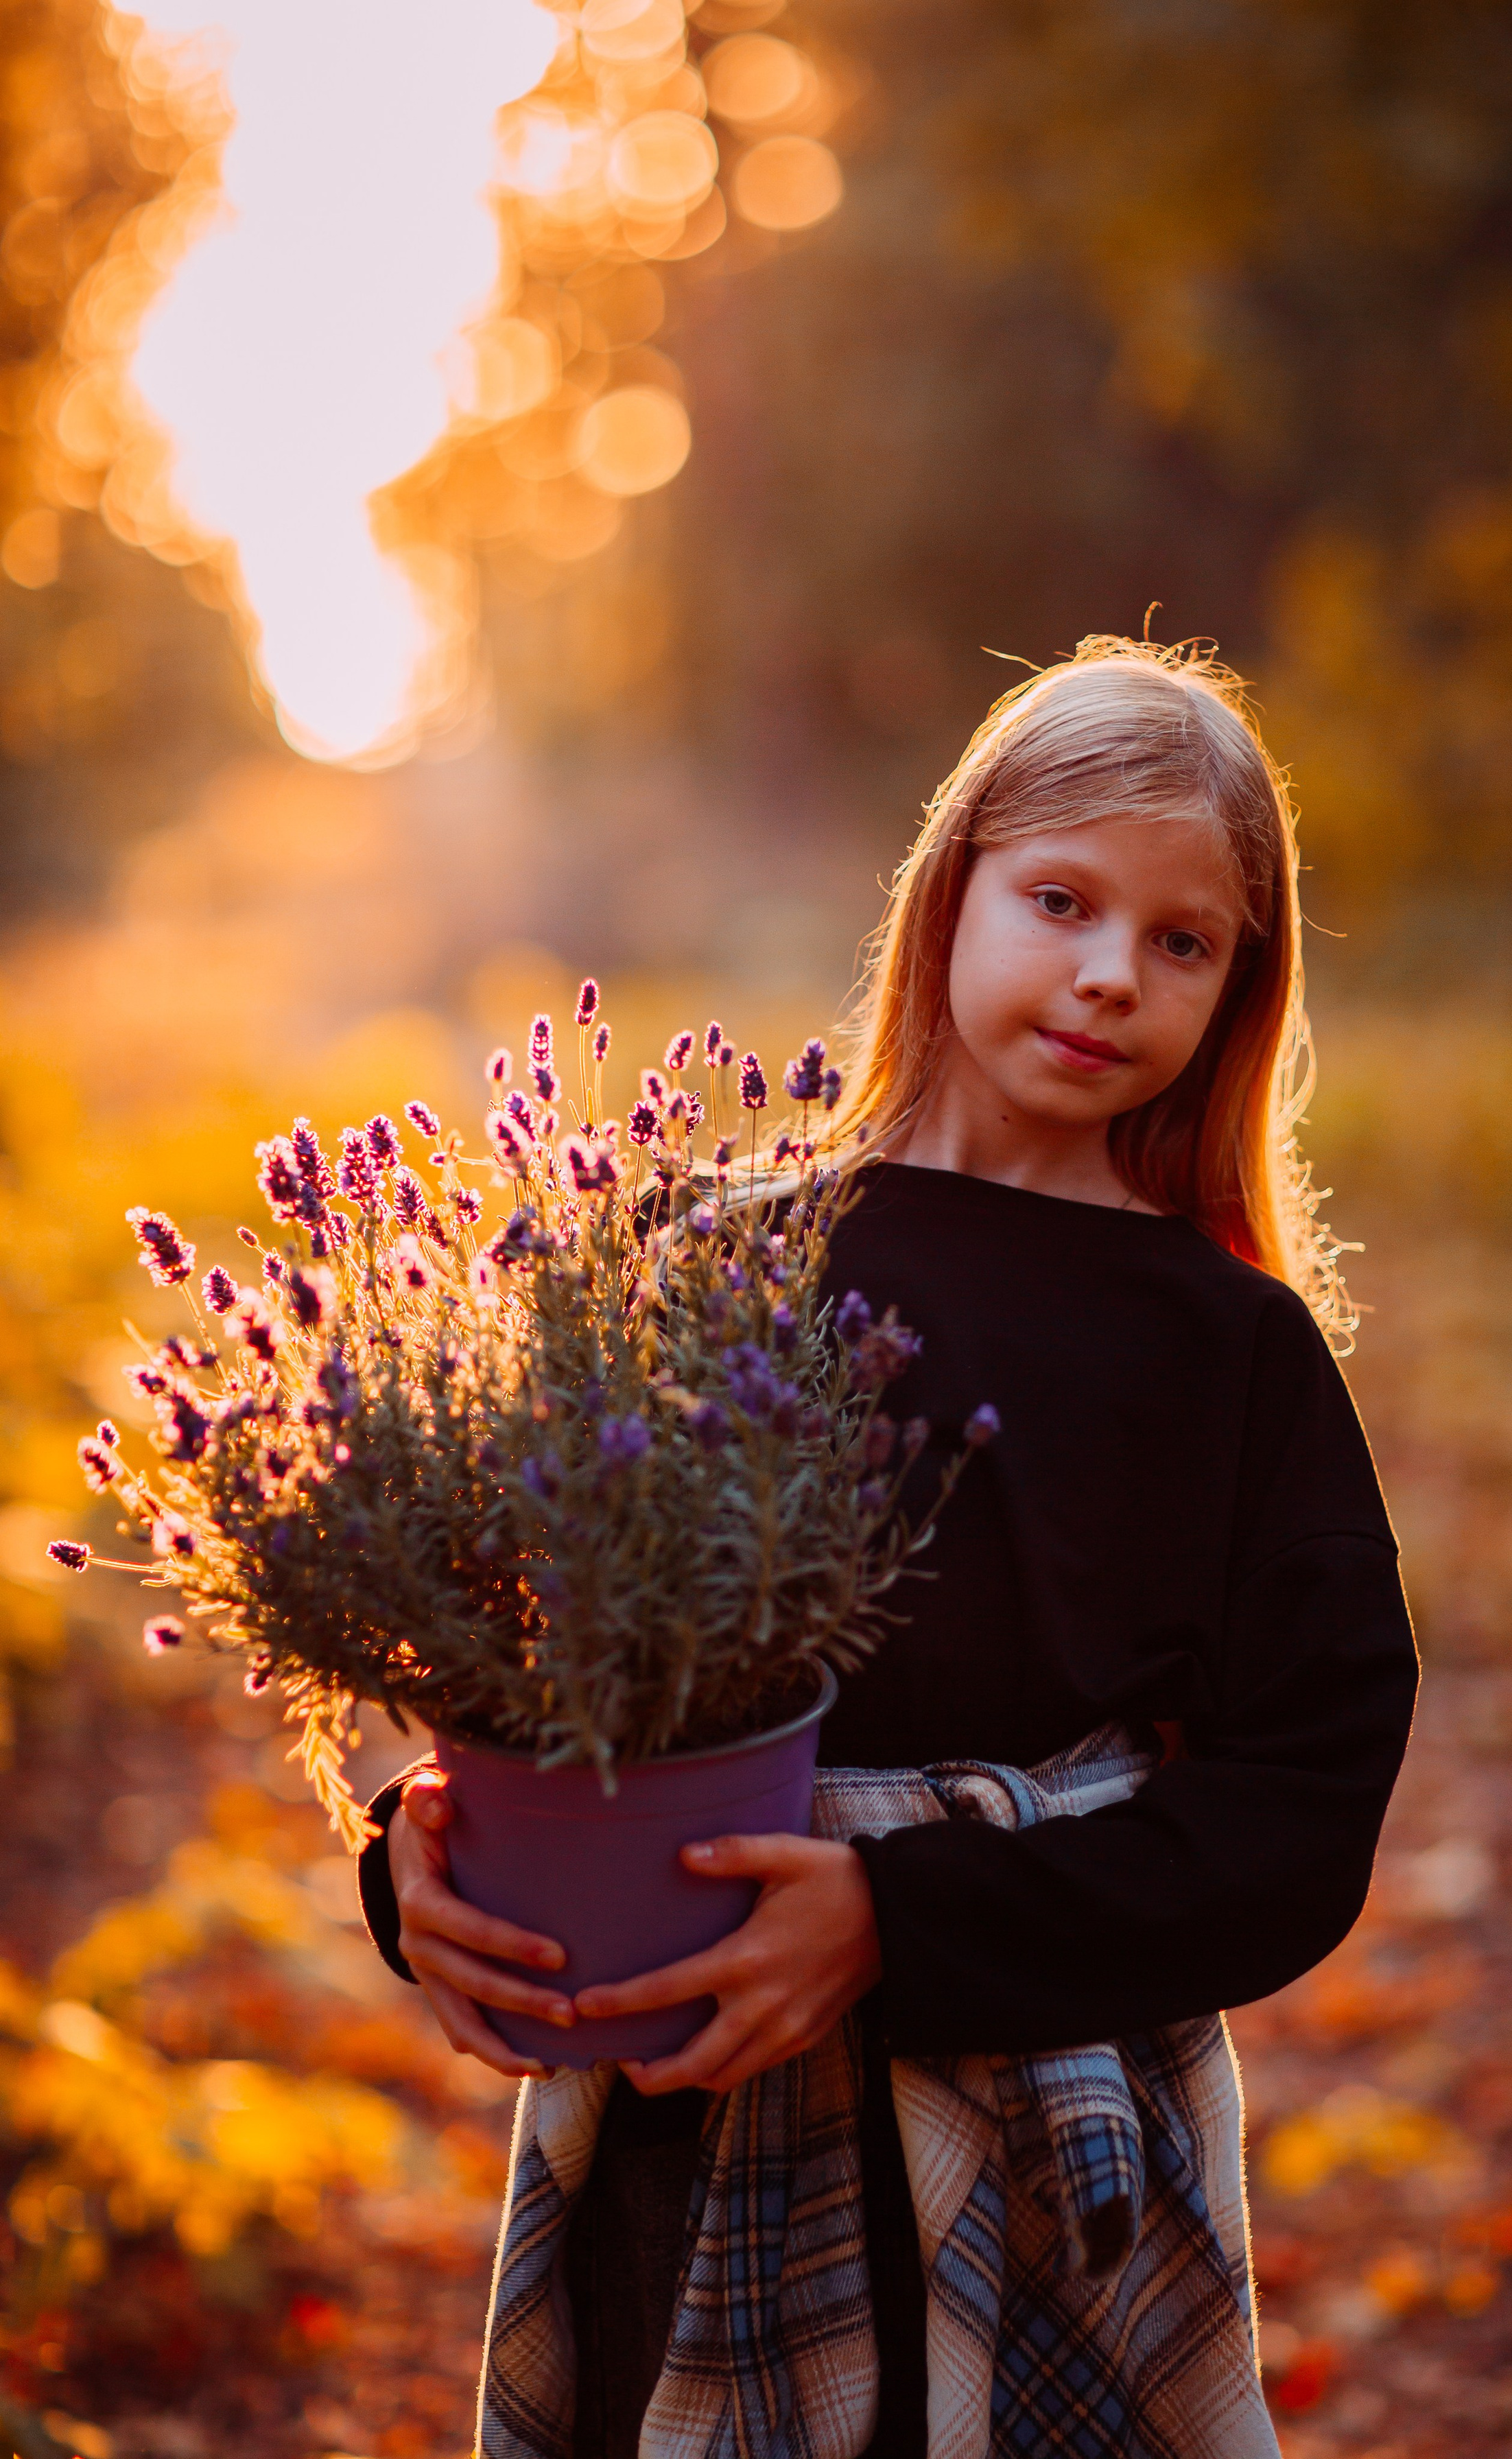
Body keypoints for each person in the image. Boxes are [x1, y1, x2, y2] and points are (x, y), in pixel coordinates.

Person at [355, 634, 1419, 2457]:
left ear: (1241, 988)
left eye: (1183, 941)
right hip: (695, 2116)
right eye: (1064, 899)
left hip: (1053, 2125)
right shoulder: (714, 1264)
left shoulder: (1230, 1351)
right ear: (951, 898)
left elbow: (1303, 1810)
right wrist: (413, 1870)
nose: (1110, 974)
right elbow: (517, 1674)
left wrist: (902, 1922)